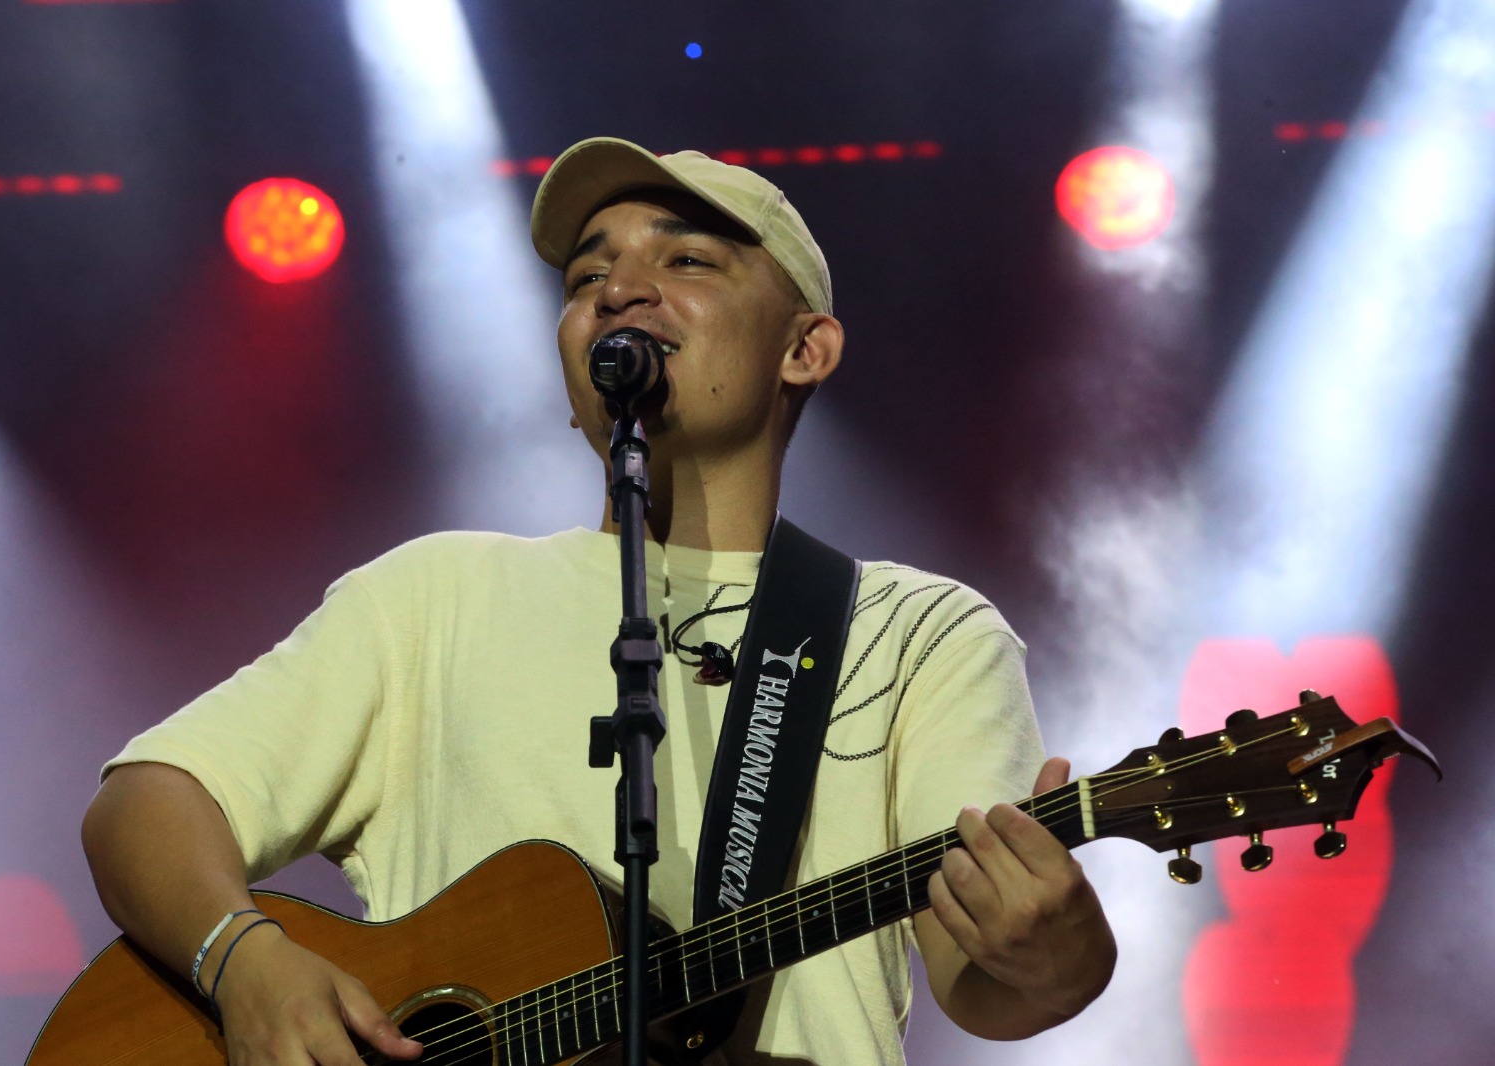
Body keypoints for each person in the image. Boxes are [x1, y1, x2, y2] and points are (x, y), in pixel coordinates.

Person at [82, 136, 1117, 1066]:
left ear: (804, 347)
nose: (620, 289)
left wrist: (1057, 954)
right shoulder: (436, 594)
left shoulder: (920, 632)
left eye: (687, 260)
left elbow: (981, 975)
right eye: (588, 275)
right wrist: (245, 961)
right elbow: (147, 802)